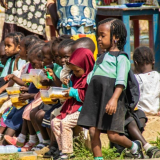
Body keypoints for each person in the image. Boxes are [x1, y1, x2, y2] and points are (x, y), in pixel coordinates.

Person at [77, 18, 144, 159]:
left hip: (112, 99)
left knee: (113, 135)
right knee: (93, 131)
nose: (99, 39)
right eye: (98, 36)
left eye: (103, 36)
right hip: (96, 98)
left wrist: (113, 99)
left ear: (116, 37)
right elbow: (92, 77)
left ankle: (134, 146)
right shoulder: (101, 57)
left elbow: (121, 81)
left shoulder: (121, 58)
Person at [51, 48, 95, 159]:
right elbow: (72, 90)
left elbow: (88, 97)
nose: (74, 73)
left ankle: (68, 152)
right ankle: (62, 150)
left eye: (77, 71)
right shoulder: (75, 77)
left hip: (83, 110)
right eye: (73, 71)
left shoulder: (90, 79)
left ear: (86, 66)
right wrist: (68, 85)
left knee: (65, 123)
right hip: (71, 108)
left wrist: (74, 92)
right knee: (55, 122)